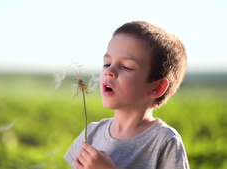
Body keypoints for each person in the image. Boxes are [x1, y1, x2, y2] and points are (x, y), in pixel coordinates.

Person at [64, 21, 190, 169]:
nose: (109, 70)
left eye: (127, 67)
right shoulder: (91, 133)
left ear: (157, 87)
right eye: (106, 63)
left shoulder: (165, 142)